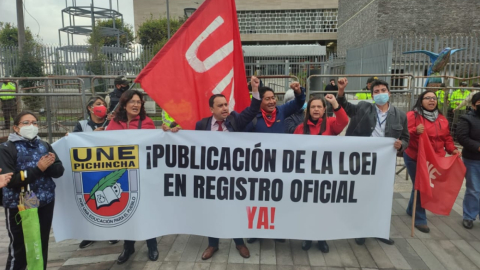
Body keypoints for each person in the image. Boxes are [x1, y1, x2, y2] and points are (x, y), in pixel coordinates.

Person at [336, 78, 409, 246]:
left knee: (382, 197)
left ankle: (380, 230)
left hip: (384, 163)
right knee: (362, 195)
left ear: (389, 93)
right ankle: (361, 229)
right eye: (376, 92)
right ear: (372, 95)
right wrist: (341, 90)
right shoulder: (363, 108)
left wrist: (401, 145)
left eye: (383, 90)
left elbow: (405, 138)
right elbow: (344, 106)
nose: (380, 94)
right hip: (362, 161)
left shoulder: (400, 115)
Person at [196, 76, 262, 260]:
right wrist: (173, 130)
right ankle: (213, 244)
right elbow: (190, 146)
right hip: (211, 178)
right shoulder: (201, 126)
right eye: (220, 105)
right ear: (211, 109)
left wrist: (255, 90)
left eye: (226, 104)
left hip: (233, 177)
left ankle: (239, 243)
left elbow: (252, 110)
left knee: (234, 209)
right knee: (213, 211)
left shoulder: (235, 121)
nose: (225, 108)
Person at [0, 111, 65, 270]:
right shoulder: (7, 148)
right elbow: (10, 180)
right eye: (26, 123)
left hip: (44, 200)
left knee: (40, 243)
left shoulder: (44, 145)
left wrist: (48, 167)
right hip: (21, 201)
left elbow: (59, 170)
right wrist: (39, 168)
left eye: (35, 123)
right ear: (16, 128)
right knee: (20, 246)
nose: (32, 126)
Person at [244, 81, 305, 243]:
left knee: (277, 199)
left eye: (274, 98)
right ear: (260, 101)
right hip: (258, 167)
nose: (272, 101)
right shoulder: (252, 117)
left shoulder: (281, 111)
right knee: (258, 201)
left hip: (279, 166)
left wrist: (298, 91)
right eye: (267, 99)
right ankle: (256, 231)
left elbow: (299, 103)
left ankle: (277, 230)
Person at [106, 90, 158, 264]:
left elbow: (154, 147)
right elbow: (104, 144)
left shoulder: (147, 122)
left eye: (139, 102)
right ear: (124, 104)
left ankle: (152, 245)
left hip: (143, 175)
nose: (136, 105)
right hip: (122, 175)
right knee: (127, 211)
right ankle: (128, 246)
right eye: (132, 102)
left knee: (147, 211)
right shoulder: (114, 122)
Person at [294, 94, 348, 253]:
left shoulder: (331, 124)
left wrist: (335, 103)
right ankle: (308, 236)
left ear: (324, 110)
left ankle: (322, 238)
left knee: (324, 208)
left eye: (319, 107)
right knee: (307, 208)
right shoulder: (300, 128)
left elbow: (343, 121)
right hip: (306, 175)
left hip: (326, 174)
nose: (316, 109)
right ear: (308, 110)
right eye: (313, 107)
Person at [403, 91, 459, 233]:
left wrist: (452, 149)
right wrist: (415, 130)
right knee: (422, 185)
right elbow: (403, 132)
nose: (431, 100)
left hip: (434, 159)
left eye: (433, 98)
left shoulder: (441, 119)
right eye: (427, 98)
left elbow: (446, 138)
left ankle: (411, 209)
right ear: (421, 100)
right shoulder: (412, 116)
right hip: (415, 157)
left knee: (419, 185)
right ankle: (420, 219)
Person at [72, 96, 119, 248]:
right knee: (90, 202)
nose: (102, 107)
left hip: (108, 168)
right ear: (90, 108)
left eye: (104, 104)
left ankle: (112, 232)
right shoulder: (82, 125)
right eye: (98, 104)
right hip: (88, 171)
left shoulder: (112, 124)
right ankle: (90, 234)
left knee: (109, 201)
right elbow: (73, 143)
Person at [458, 92, 480, 229]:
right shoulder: (466, 119)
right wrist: (478, 147)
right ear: (473, 105)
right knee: (474, 189)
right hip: (473, 159)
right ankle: (469, 216)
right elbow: (462, 137)